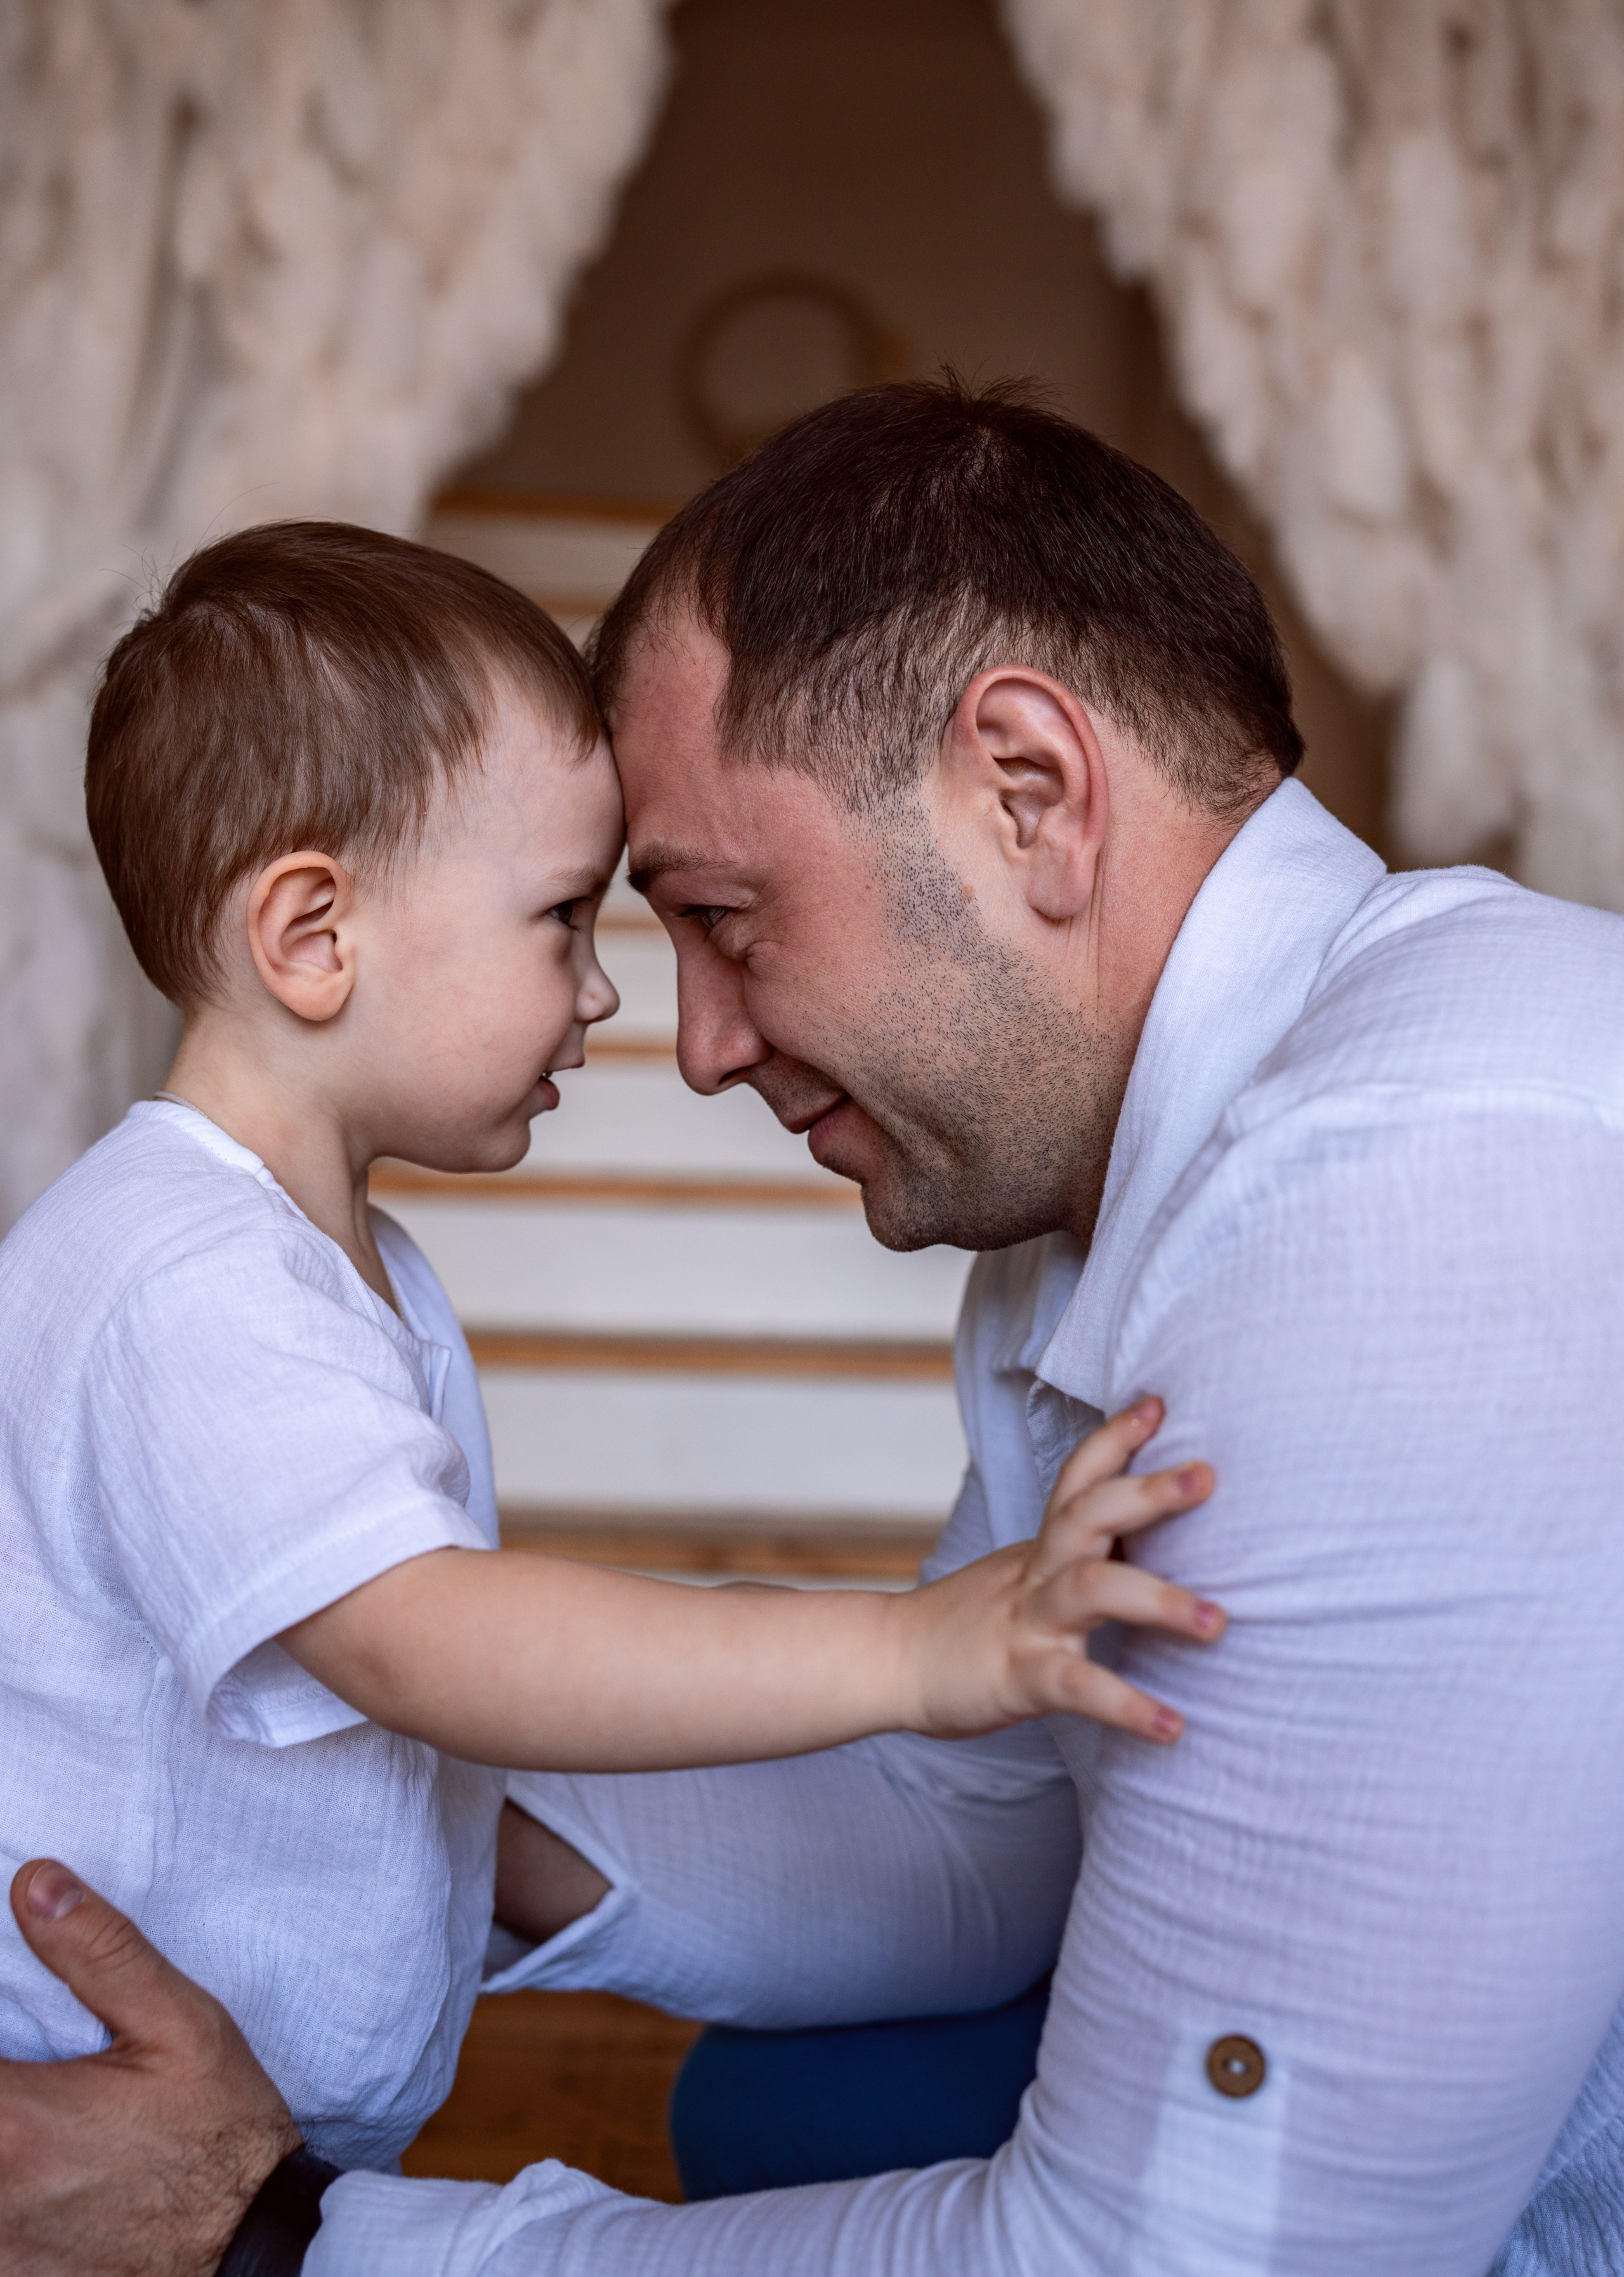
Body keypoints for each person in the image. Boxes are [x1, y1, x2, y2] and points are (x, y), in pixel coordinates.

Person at [5, 377, 1624, 2277]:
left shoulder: (1416, 1197)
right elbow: (999, 1824)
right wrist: (388, 1835)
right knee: (791, 2092)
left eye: (720, 916)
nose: (684, 1042)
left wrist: (274, 2260)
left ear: (1028, 791)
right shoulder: (1097, 1222)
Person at [0, 520, 1219, 2169]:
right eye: (563, 918)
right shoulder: (179, 1273)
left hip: (253, 2154)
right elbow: (430, 1645)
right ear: (312, 938)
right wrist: (916, 1652)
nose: (601, 999)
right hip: (83, 2132)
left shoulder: (325, 1262)